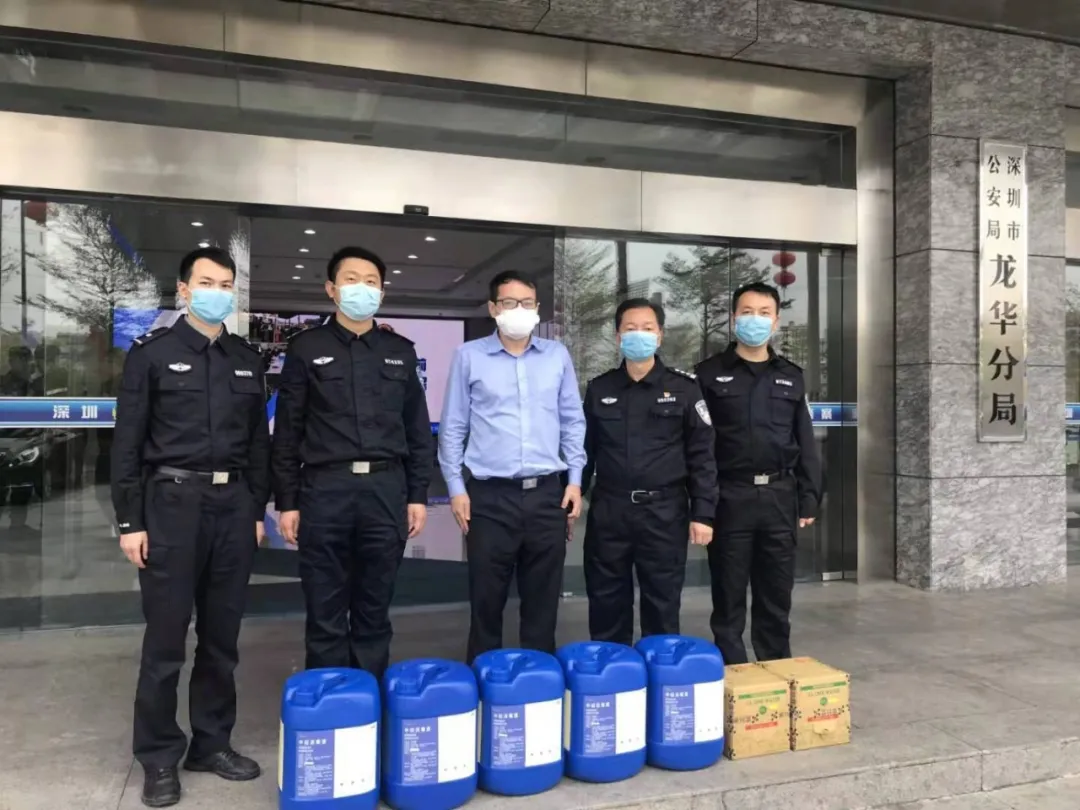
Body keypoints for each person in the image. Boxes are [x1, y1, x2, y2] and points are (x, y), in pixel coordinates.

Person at [111, 246, 269, 808]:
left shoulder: (245, 359)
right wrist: (130, 521)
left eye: (225, 285)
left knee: (222, 640)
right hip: (171, 505)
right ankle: (158, 757)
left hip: (233, 508)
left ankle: (211, 743)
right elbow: (127, 444)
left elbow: (258, 444)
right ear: (183, 290)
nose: (216, 293)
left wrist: (256, 510)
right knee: (166, 641)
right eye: (206, 283)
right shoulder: (151, 354)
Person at [271, 245, 432, 679]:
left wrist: (417, 494)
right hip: (325, 491)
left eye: (371, 282)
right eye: (351, 279)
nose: (362, 288)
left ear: (382, 292)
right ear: (331, 289)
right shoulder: (306, 348)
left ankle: (368, 702)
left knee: (374, 610)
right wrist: (287, 501)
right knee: (324, 609)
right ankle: (331, 702)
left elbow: (417, 430)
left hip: (385, 491)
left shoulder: (400, 351)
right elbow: (288, 430)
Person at [439, 270, 586, 663]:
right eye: (509, 303)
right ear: (493, 308)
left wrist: (574, 481)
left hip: (547, 495)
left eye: (527, 303)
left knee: (542, 603)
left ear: (537, 309)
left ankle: (538, 683)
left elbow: (572, 421)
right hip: (490, 497)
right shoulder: (469, 356)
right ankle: (485, 682)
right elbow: (453, 425)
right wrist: (455, 487)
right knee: (486, 600)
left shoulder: (556, 356)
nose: (518, 310)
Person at [695, 281, 822, 665]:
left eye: (764, 313)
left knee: (776, 595)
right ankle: (734, 676)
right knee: (729, 596)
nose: (755, 320)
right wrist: (702, 505)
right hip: (730, 497)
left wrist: (809, 495)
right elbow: (699, 447)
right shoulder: (708, 374)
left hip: (780, 497)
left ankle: (776, 671)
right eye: (747, 312)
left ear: (776, 321)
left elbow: (804, 438)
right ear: (734, 318)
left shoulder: (791, 376)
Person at [581, 299, 717, 646]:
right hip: (610, 511)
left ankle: (660, 672)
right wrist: (572, 498)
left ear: (659, 336)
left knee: (662, 602)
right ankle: (613, 672)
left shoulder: (684, 389)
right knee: (606, 602)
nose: (638, 335)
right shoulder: (600, 389)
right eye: (630, 328)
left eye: (647, 328)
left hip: (664, 511)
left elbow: (702, 455)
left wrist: (703, 513)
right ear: (617, 337)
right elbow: (585, 452)